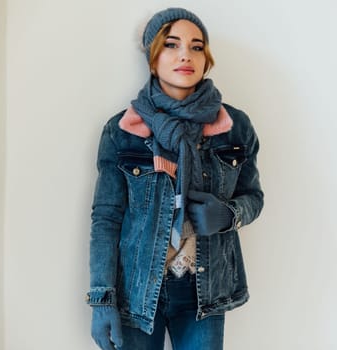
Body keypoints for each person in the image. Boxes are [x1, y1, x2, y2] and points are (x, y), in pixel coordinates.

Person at [85, 7, 264, 350]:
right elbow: (106, 218)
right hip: (137, 293)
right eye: (172, 44)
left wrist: (229, 215)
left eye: (197, 46)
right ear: (153, 58)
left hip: (204, 294)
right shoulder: (123, 130)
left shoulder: (234, 127)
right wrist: (101, 299)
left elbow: (253, 196)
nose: (186, 54)